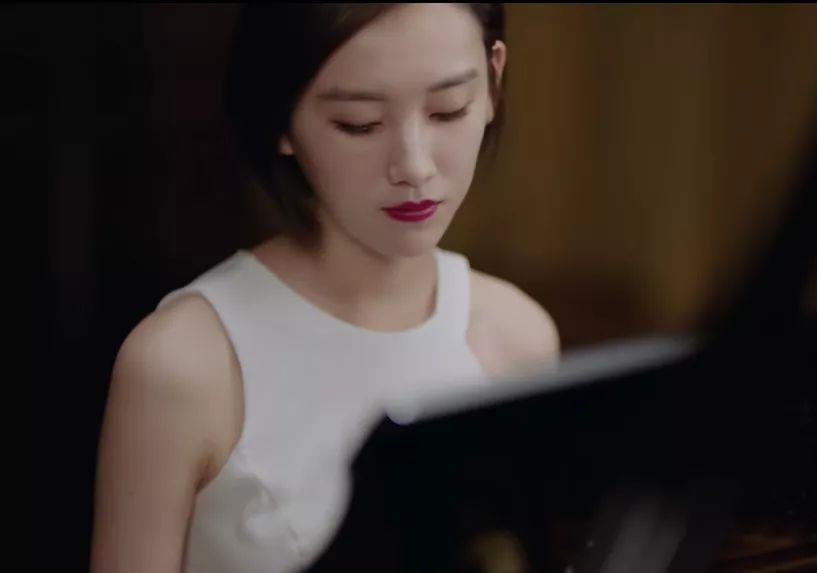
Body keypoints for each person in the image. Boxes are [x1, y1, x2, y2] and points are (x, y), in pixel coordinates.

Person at [90, 4, 560, 572]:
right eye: (359, 123)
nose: (414, 166)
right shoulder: (183, 364)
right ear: (282, 122)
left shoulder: (517, 338)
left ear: (492, 83)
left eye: (447, 109)